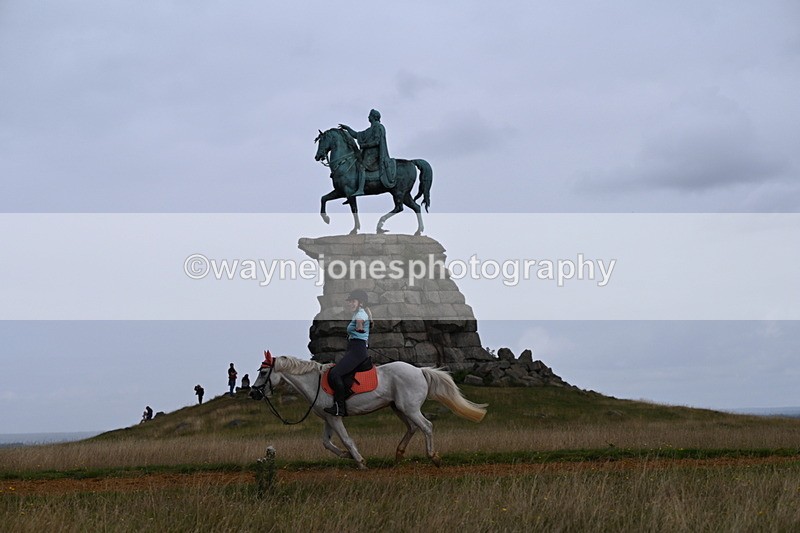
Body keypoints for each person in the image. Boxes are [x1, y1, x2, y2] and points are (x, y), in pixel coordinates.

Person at [324, 289, 373, 417]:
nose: (350, 303)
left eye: (353, 301)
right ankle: (346, 395)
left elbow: (359, 324)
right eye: (349, 301)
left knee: (335, 374)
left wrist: (359, 328)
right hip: (354, 349)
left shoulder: (360, 315)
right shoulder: (357, 313)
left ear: (360, 303)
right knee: (340, 373)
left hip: (357, 351)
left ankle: (340, 408)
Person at [339, 109, 396, 198]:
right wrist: (347, 128)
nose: (368, 117)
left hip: (375, 154)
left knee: (361, 167)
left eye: (370, 115)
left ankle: (361, 189)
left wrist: (365, 145)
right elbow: (356, 135)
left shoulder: (378, 127)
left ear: (373, 117)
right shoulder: (369, 130)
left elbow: (377, 142)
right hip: (367, 153)